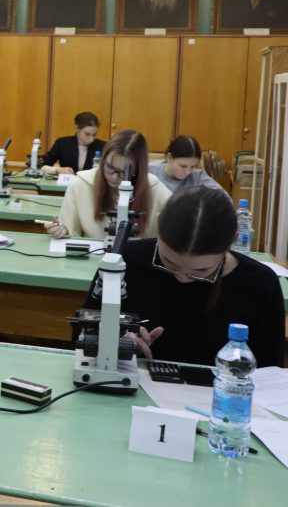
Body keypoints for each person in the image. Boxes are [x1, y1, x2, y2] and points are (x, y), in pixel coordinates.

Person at [81, 187, 285, 367]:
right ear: (159, 223)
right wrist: (114, 342)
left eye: (200, 271)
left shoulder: (259, 284)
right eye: (169, 264)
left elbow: (268, 368)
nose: (182, 279)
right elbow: (82, 332)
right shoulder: (124, 262)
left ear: (232, 240)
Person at [46, 129, 172, 240]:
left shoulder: (154, 188)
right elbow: (69, 231)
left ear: (138, 171)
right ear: (103, 160)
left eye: (124, 172)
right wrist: (61, 231)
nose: (114, 176)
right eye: (110, 167)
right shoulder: (80, 184)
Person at [149, 135, 225, 195]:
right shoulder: (149, 171)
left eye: (193, 166)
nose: (188, 172)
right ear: (170, 157)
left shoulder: (198, 177)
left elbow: (223, 198)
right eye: (183, 166)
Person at [41, 111, 105, 175]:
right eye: (87, 134)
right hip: (68, 180)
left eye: (94, 135)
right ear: (77, 128)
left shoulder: (103, 146)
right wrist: (58, 170)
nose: (91, 139)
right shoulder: (62, 143)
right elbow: (43, 167)